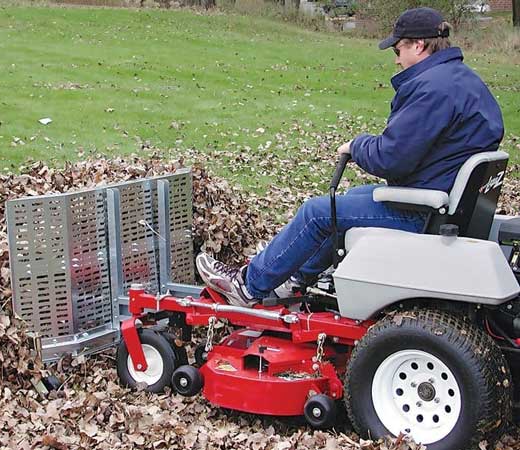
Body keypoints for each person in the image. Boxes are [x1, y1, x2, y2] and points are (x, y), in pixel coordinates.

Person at [196, 7, 504, 307]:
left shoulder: (432, 90)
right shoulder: (463, 80)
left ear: (418, 45)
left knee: (317, 212)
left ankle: (247, 286)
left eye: (398, 49)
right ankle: (293, 281)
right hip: (445, 199)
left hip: (423, 211)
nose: (396, 59)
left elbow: (391, 159)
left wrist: (356, 146)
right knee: (352, 199)